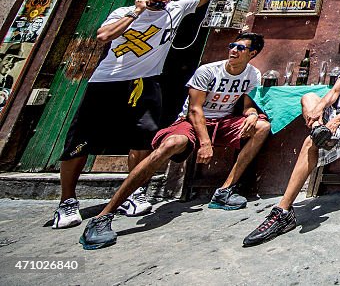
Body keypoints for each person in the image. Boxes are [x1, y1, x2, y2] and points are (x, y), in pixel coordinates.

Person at [52, 0, 222, 230]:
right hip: (108, 82)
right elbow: (103, 36)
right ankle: (67, 200)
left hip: (146, 81)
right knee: (81, 139)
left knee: (143, 138)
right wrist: (136, 13)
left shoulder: (174, 8)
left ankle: (133, 193)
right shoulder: (124, 12)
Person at [79, 32, 270, 249]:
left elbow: (247, 106)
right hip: (191, 122)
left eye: (240, 48)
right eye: (232, 46)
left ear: (252, 53)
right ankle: (104, 216)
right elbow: (195, 110)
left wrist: (252, 114)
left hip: (222, 122)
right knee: (171, 144)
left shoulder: (253, 74)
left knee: (262, 126)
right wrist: (205, 143)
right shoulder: (208, 71)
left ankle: (225, 190)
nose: (233, 51)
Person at [243, 36, 340, 245]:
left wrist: (339, 119)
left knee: (309, 144)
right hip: (336, 117)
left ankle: (283, 210)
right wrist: (320, 109)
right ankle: (319, 131)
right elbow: (334, 92)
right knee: (308, 98)